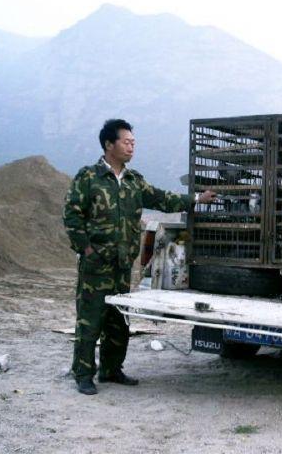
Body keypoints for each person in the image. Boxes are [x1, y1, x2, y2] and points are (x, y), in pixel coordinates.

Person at [63, 119, 216, 395]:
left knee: (119, 321)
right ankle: (84, 374)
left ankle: (111, 369)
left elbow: (162, 199)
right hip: (96, 266)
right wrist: (86, 249)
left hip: (122, 265)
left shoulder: (134, 181)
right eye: (126, 142)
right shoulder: (89, 178)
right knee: (90, 321)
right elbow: (72, 215)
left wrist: (196, 199)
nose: (131, 146)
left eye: (133, 142)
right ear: (109, 144)